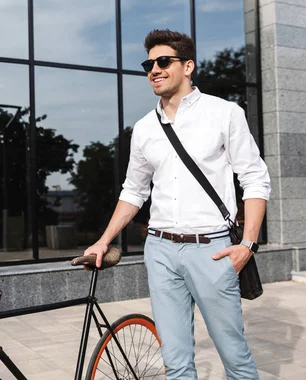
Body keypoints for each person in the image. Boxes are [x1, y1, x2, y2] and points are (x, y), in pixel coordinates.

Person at [84, 29, 270, 379]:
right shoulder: (144, 128)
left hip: (212, 250)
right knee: (176, 360)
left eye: (163, 61)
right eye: (149, 63)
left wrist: (247, 244)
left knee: (234, 356)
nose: (154, 69)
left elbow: (255, 179)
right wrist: (104, 239)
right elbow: (133, 191)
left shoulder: (224, 113)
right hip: (160, 250)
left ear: (188, 66)